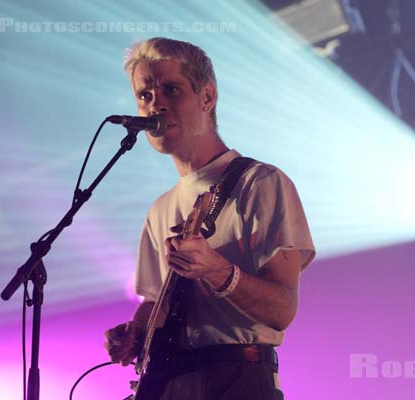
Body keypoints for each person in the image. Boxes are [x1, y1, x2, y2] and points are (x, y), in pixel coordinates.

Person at [103, 37, 315, 400]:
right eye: (145, 95)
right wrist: (135, 332)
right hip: (169, 383)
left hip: (238, 379)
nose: (156, 105)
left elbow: (282, 310)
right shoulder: (160, 208)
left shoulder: (261, 183)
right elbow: (156, 302)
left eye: (171, 89)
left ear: (207, 97)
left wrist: (216, 270)